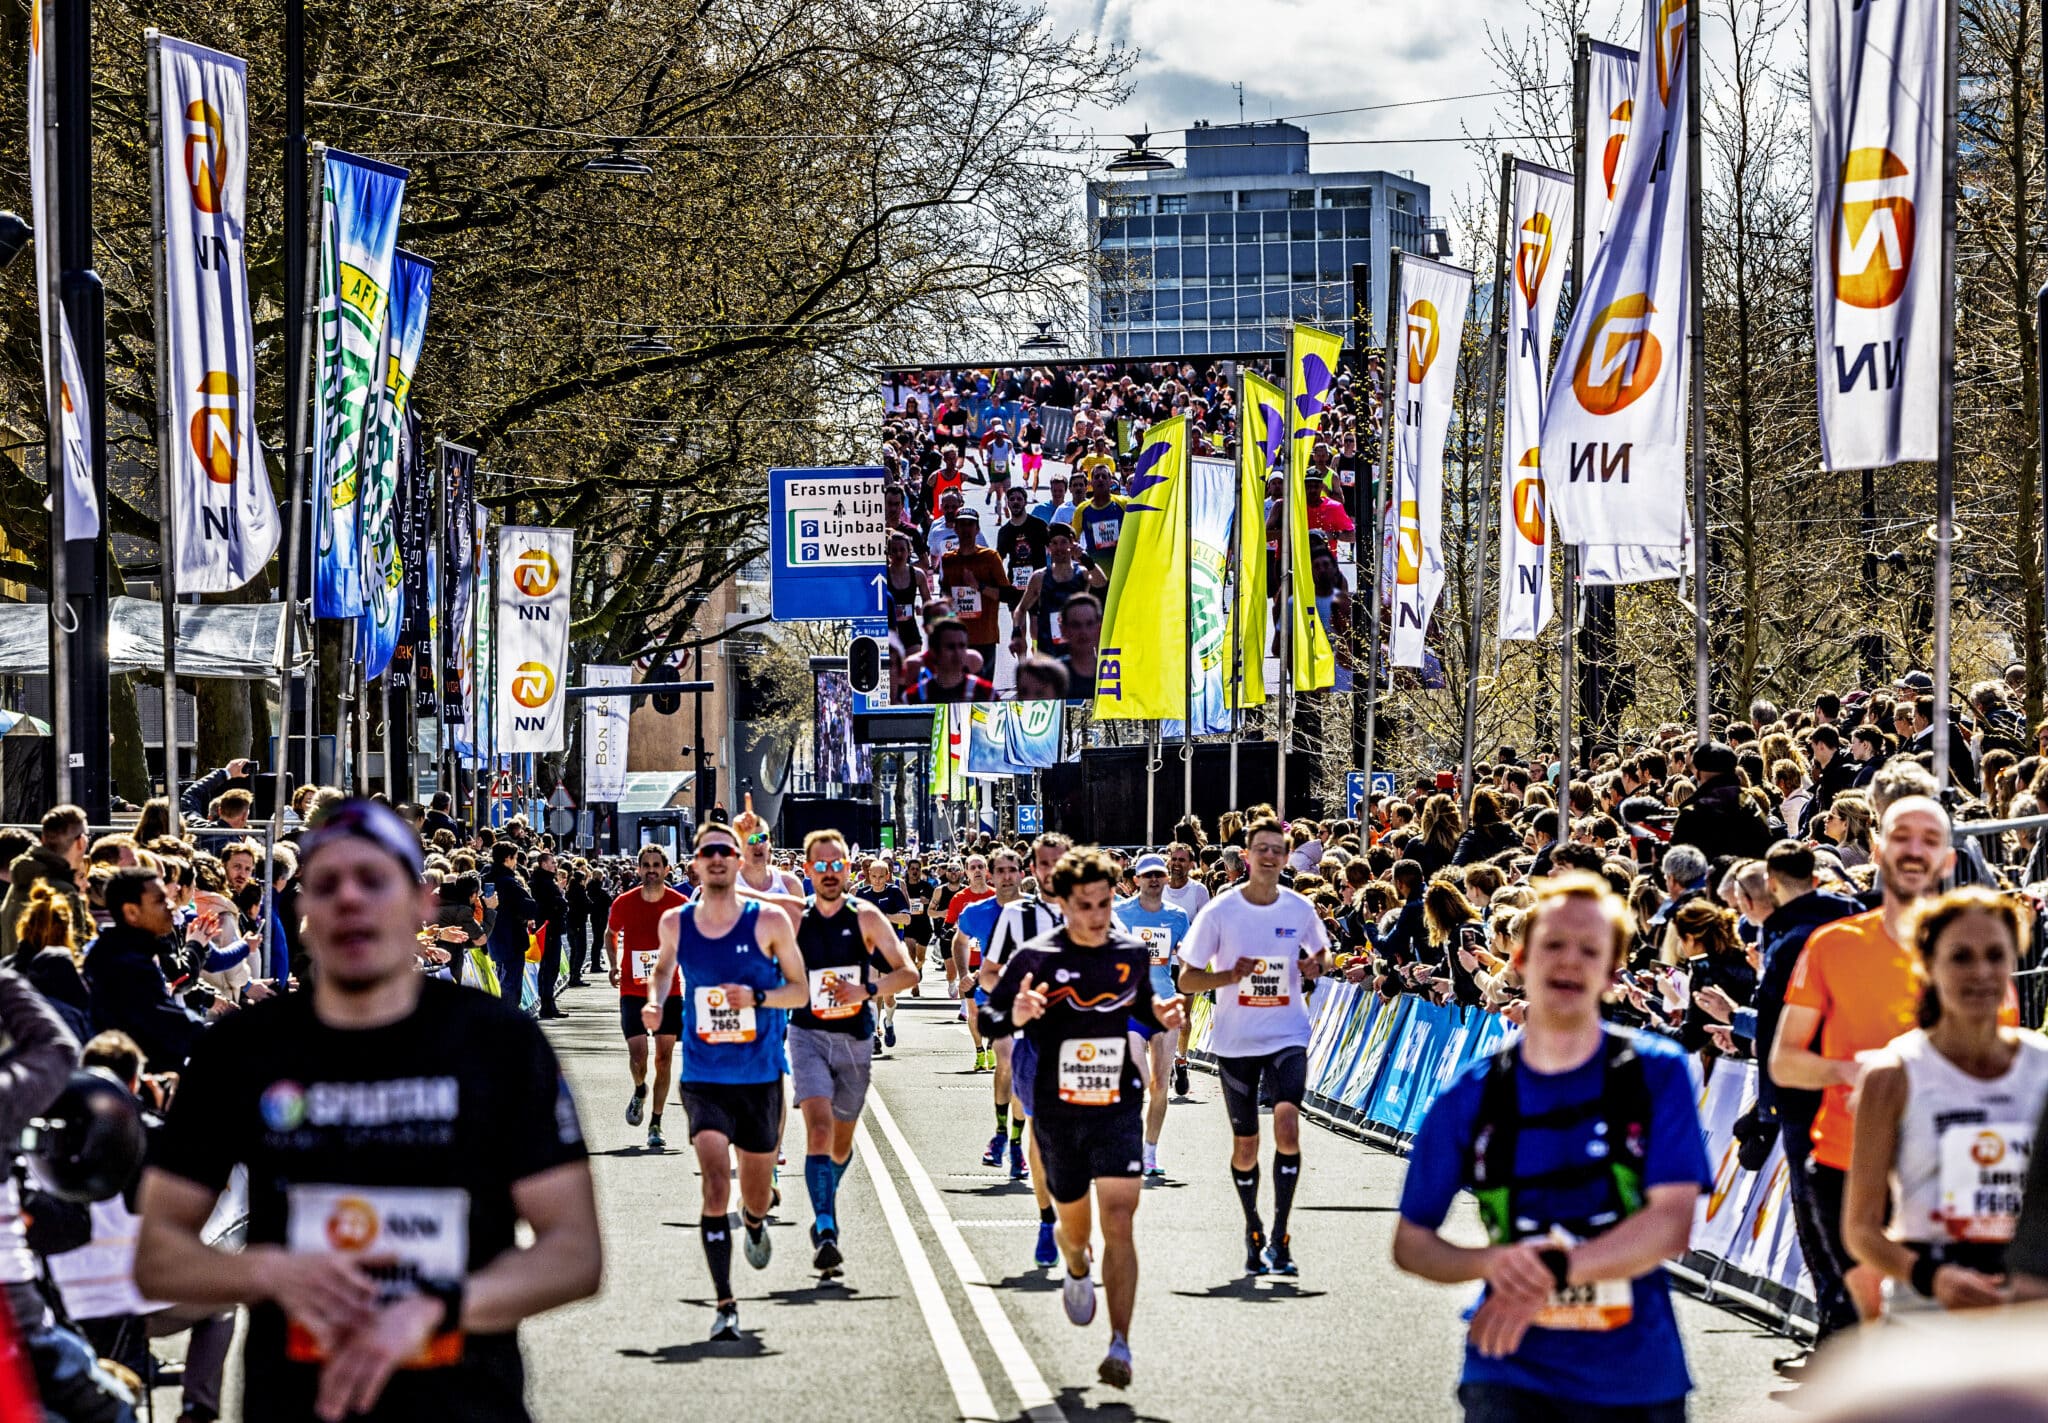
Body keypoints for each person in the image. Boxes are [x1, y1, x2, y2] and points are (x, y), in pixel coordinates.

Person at [134, 798, 601, 1423]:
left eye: (375, 879)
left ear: (422, 904)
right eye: (326, 884)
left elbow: (573, 1252)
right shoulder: (240, 1051)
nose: (350, 899)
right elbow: (157, 1254)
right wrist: (268, 1272)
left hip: (464, 1404)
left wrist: (442, 1306)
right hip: (296, 1402)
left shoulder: (500, 1045)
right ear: (303, 912)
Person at [1394, 872, 1710, 1422]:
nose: (1569, 962)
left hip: (1635, 1377)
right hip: (1508, 1368)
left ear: (1613, 975)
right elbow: (1413, 1242)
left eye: (1590, 950)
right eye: (1554, 945)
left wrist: (1548, 1275)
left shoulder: (1656, 1073)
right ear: (1518, 960)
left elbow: (1670, 1225)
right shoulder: (1471, 1093)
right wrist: (1491, 1261)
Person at [980, 845, 1186, 1391]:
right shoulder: (1037, 958)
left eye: (1102, 903)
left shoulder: (1129, 953)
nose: (1096, 916)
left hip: (1116, 1104)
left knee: (1120, 1218)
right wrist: (1015, 1013)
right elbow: (989, 1011)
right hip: (1057, 1108)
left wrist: (1160, 1013)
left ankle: (1120, 1344)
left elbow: (1140, 1008)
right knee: (1078, 1232)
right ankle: (1076, 1266)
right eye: (1084, 906)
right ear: (1063, 902)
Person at [1772, 795, 1958, 1337]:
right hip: (1848, 1166)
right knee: (1872, 1331)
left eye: (1930, 839)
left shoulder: (1972, 949)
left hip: (1943, 1169)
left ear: (1948, 859)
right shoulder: (1832, 946)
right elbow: (1785, 1062)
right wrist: (1856, 1075)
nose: (1914, 851)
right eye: (1901, 836)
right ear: (1875, 848)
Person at [1844, 886, 2048, 1315]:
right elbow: (1861, 1229)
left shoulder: (2042, 1067)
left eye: (1996, 956)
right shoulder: (1893, 1073)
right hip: (1927, 1320)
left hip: (2027, 1324)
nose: (1981, 973)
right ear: (1927, 965)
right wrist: (1931, 1277)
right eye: (1961, 957)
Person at [643, 822, 809, 1342]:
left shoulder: (770, 921)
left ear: (738, 862)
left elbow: (800, 991)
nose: (716, 858)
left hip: (759, 1075)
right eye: (706, 852)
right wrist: (654, 1000)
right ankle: (726, 1303)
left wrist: (757, 999)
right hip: (704, 1074)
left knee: (753, 1198)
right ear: (693, 864)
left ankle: (755, 1222)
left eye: (725, 851)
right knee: (715, 1182)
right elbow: (664, 970)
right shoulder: (676, 922)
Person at [1177, 816, 1330, 1276]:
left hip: (1287, 1034)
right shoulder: (1220, 912)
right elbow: (1186, 976)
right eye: (1260, 848)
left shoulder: (1300, 908)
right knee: (1246, 1145)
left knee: (1287, 1126)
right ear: (1246, 856)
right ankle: (1253, 1228)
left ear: (1286, 858)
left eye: (1276, 850)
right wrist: (1228, 975)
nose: (1268, 856)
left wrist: (1314, 966)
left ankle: (1282, 1236)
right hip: (1236, 1040)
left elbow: (1322, 956)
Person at [788, 832, 917, 1274]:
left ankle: (825, 1197)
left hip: (855, 1038)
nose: (828, 872)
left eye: (836, 864)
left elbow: (909, 972)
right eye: (819, 865)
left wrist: (867, 990)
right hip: (806, 1033)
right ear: (807, 870)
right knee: (819, 1130)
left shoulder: (866, 917)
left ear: (849, 869)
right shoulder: (794, 918)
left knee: (841, 1143)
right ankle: (826, 1226)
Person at [980, 833, 1075, 1266]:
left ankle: (1074, 1215)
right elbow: (988, 973)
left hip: (1084, 1043)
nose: (1051, 870)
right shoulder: (1017, 916)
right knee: (1039, 1132)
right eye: (1044, 863)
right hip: (1035, 1039)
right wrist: (1011, 999)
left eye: (1060, 862)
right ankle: (1044, 1217)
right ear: (1032, 870)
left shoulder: (1094, 906)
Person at [84, 866, 208, 1072]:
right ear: (131, 912)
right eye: (160, 901)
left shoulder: (130, 951)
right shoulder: (125, 963)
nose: (170, 905)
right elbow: (163, 1022)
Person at [606, 845, 689, 1150]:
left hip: (669, 992)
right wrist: (614, 965)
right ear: (638, 869)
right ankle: (640, 1089)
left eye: (657, 864)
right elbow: (609, 933)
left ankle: (656, 1122)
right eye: (646, 865)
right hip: (632, 989)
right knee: (638, 1056)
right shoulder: (624, 903)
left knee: (664, 1059)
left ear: (667, 870)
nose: (651, 869)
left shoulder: (680, 904)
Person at [1115, 853, 1191, 1180]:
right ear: (1137, 880)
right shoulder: (1119, 913)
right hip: (1130, 1006)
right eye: (1148, 876)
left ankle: (1149, 1151)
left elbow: (1187, 959)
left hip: (1165, 1002)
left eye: (1159, 875)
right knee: (1140, 1081)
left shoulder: (1177, 916)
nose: (1155, 880)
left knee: (1160, 1085)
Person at [958, 848, 1030, 1176]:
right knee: (1007, 1058)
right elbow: (960, 941)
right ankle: (1003, 1134)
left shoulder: (1036, 912)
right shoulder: (977, 912)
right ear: (991, 874)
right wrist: (963, 973)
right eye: (999, 870)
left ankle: (1013, 1140)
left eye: (1011, 870)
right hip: (993, 996)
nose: (1005, 876)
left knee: (1024, 1071)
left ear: (1020, 872)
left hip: (1030, 1001)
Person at [853, 857, 914, 1050]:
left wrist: (884, 917)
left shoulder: (894, 892)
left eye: (881, 876)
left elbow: (906, 918)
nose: (878, 880)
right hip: (869, 948)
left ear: (888, 875)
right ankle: (873, 1033)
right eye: (874, 876)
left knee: (888, 996)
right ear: (868, 876)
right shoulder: (862, 893)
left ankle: (888, 1022)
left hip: (890, 948)